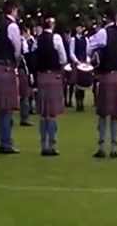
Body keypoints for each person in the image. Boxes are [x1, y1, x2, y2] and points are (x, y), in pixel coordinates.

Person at [88, 8, 117, 159]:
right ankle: (114, 147)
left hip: (105, 76)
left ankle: (101, 147)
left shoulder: (102, 33)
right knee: (115, 115)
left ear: (106, 18)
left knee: (102, 114)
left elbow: (90, 48)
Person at [0, 1, 22, 154]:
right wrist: (16, 62)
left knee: (3, 109)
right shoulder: (12, 26)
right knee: (7, 108)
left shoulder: (0, 26)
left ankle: (4, 141)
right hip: (7, 66)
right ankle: (6, 143)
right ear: (13, 10)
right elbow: (17, 48)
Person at [36, 17, 67, 156]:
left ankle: (43, 145)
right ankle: (52, 144)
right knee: (52, 114)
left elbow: (34, 57)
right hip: (53, 76)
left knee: (43, 114)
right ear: (52, 25)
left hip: (42, 77)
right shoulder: (56, 38)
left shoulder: (38, 39)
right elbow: (63, 58)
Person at [69, 20, 90, 112]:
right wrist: (77, 61)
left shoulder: (86, 39)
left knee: (83, 83)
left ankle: (82, 102)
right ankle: (78, 103)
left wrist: (87, 60)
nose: (79, 29)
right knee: (77, 84)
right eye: (78, 27)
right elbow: (71, 52)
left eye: (80, 27)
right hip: (77, 63)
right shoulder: (73, 39)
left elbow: (88, 51)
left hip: (84, 63)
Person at [18, 26, 34, 126]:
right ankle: (24, 118)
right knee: (25, 95)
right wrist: (30, 73)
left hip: (16, 69)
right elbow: (25, 59)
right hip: (23, 70)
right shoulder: (22, 42)